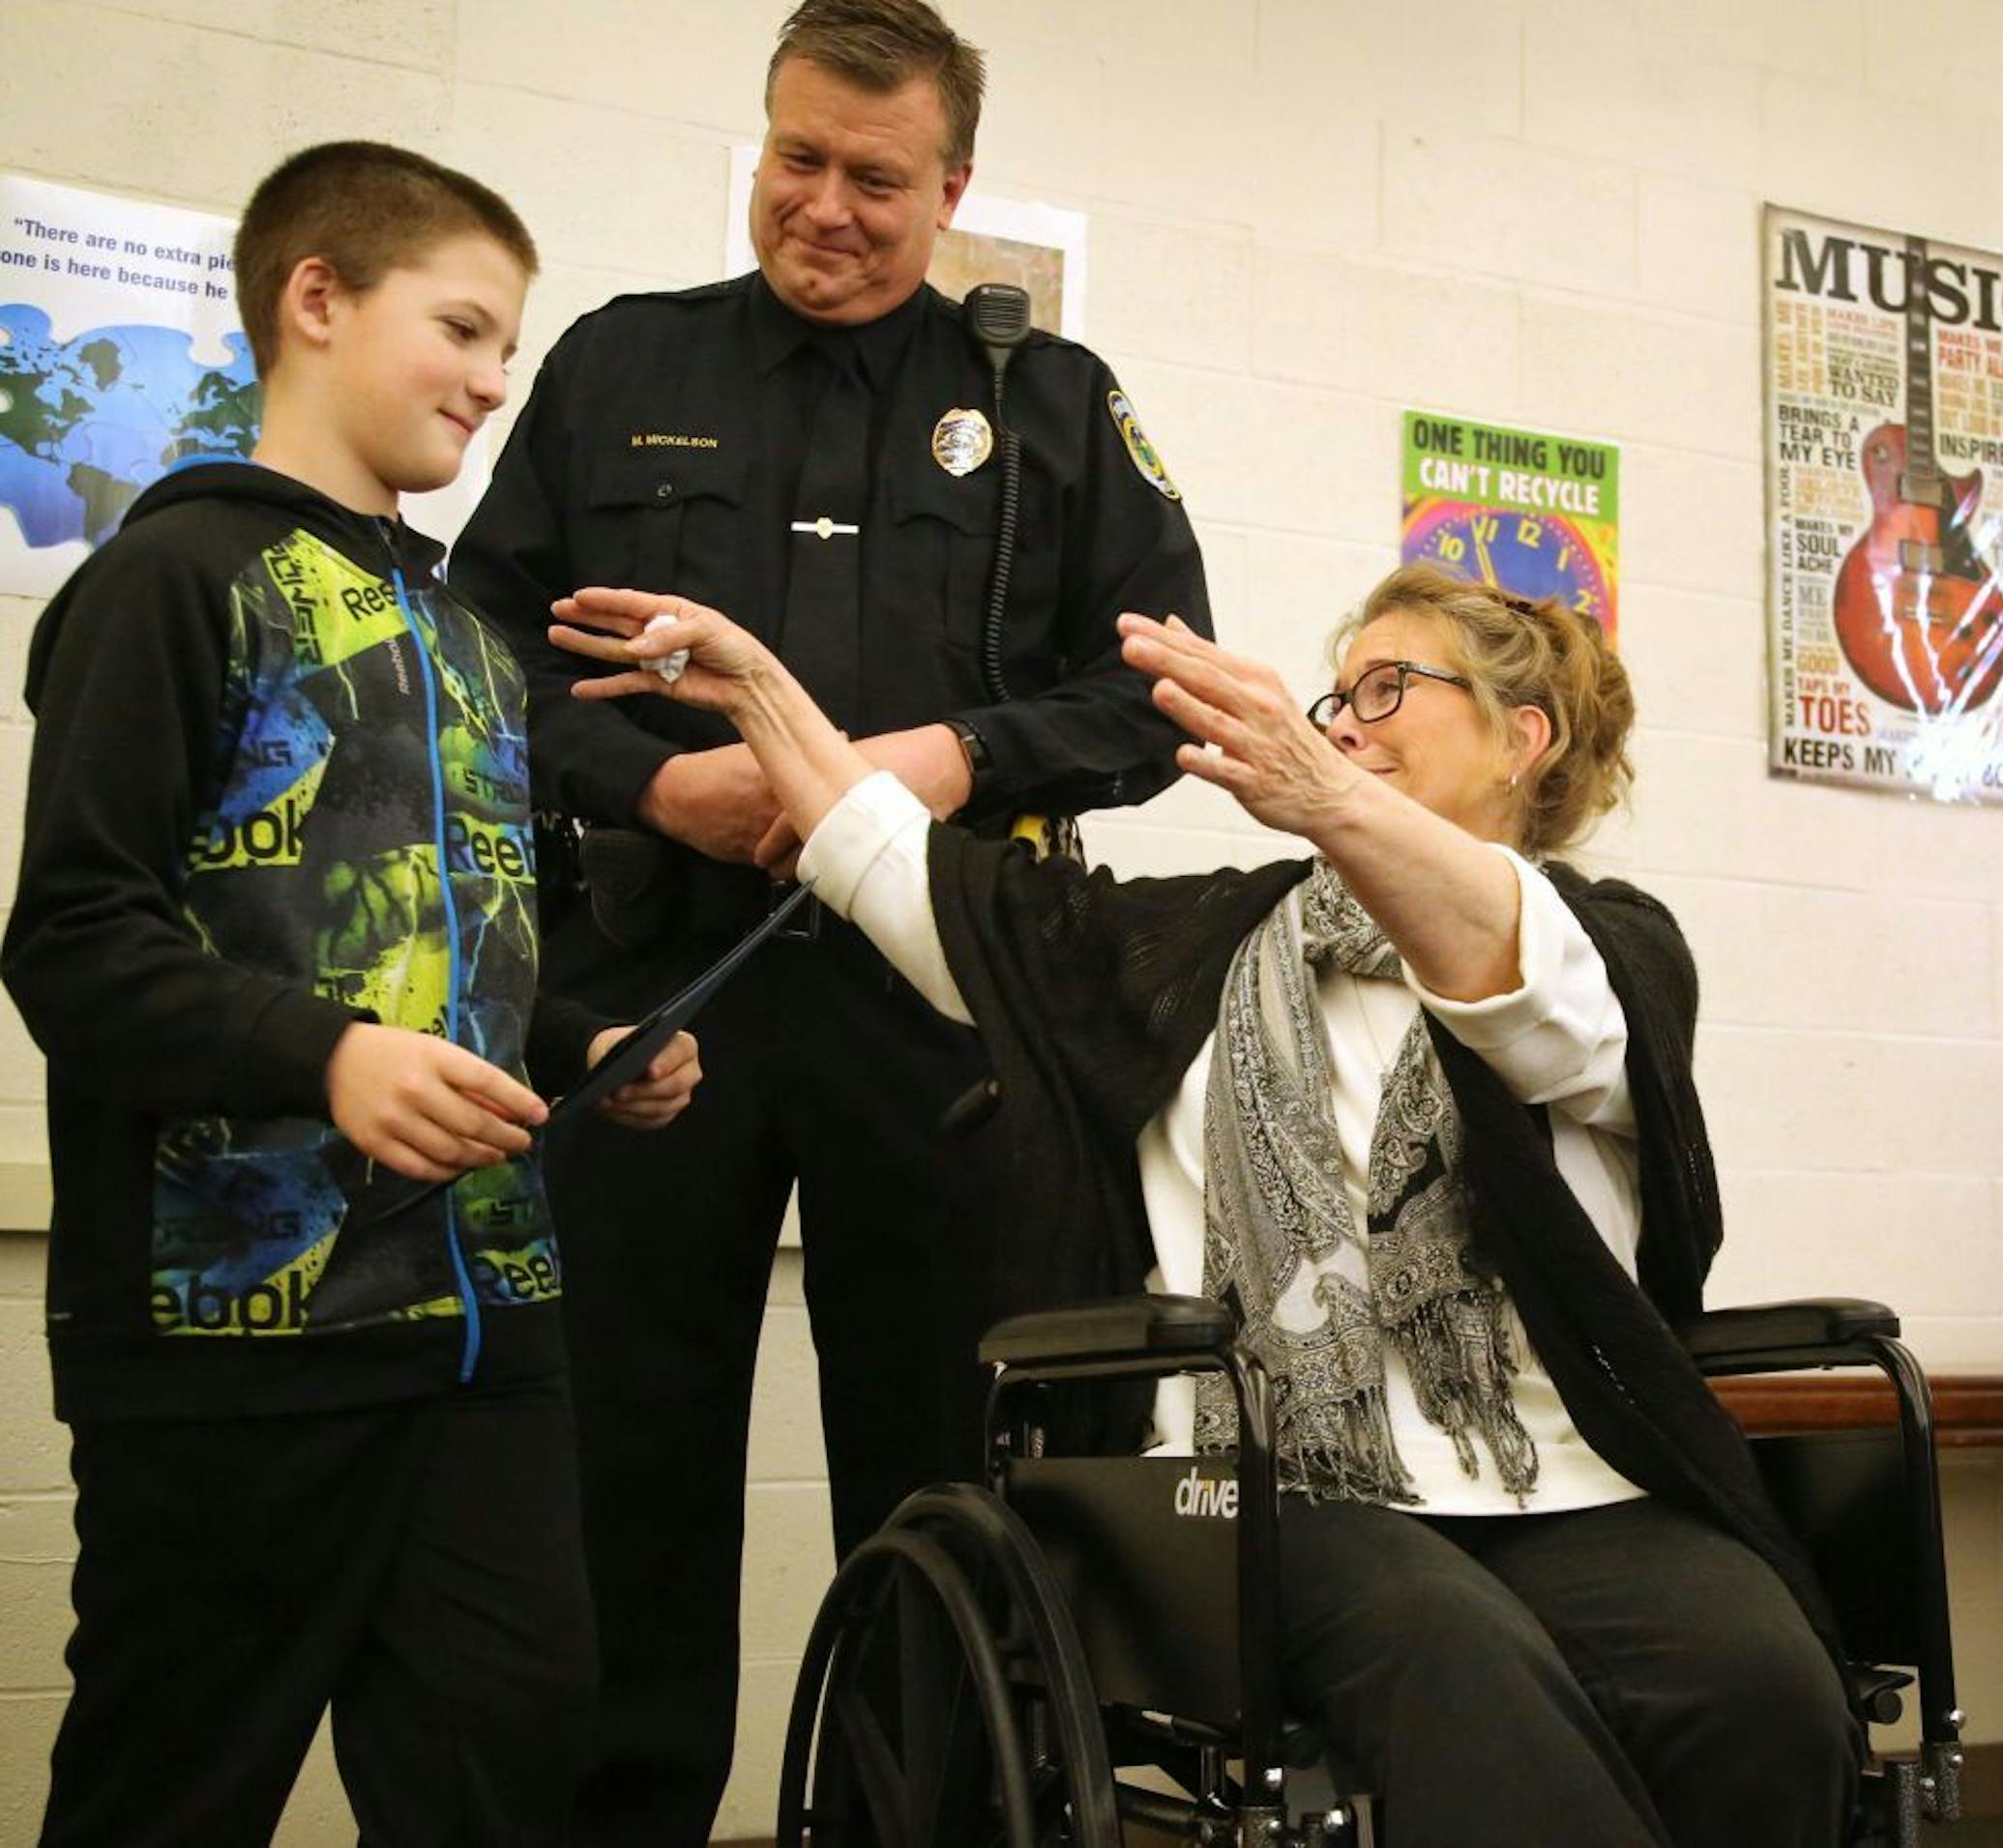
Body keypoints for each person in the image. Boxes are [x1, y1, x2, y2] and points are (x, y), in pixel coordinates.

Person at [551, 561, 1865, 1848]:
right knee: (1453, 1669)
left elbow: (1507, 981)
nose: (1340, 721)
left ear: (1524, 738)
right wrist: (764, 698)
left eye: (1387, 688)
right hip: (1257, 1490)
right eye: (1334, 695)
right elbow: (909, 876)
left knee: (1762, 1680)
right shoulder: (1192, 951)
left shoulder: (1608, 950)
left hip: (1561, 1484)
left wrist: (1329, 796)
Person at [447, 1, 1211, 1833]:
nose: (829, 208)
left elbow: (1154, 701)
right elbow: (476, 662)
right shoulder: (621, 362)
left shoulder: (1053, 405)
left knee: (940, 1473)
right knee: (623, 1461)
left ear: (953, 188)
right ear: (765, 142)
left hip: (940, 1010)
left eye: (880, 178)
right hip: (658, 993)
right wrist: (658, 784)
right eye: (799, 159)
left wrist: (944, 759)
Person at [1, 142, 699, 1847]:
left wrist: (578, 1040)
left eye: (507, 350)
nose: (489, 383)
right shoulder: (167, 587)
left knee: (513, 1766)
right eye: (461, 329)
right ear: (316, 300)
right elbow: (76, 940)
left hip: (486, 1342)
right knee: (175, 1785)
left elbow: (445, 957)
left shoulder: (474, 645)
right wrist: (328, 1064)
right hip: (234, 1357)